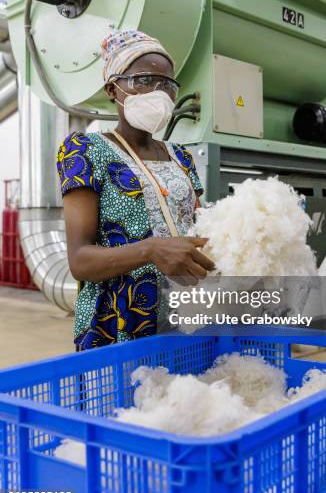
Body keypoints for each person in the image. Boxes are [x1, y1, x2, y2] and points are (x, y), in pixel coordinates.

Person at [56, 29, 214, 350]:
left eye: (167, 84)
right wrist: (151, 250)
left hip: (185, 316)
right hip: (120, 324)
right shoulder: (86, 151)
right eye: (142, 80)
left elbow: (203, 231)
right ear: (113, 89)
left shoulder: (181, 156)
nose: (158, 92)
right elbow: (80, 260)